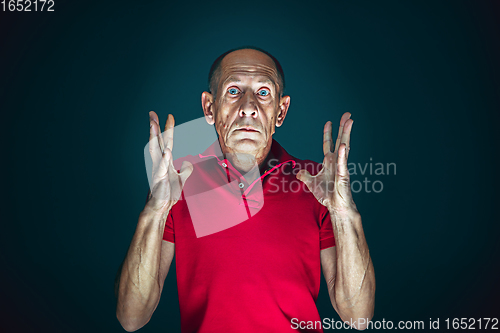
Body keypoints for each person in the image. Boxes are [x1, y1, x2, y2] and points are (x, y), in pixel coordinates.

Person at [115, 46, 375, 332]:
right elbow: (132, 317)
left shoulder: (317, 183)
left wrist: (343, 213)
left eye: (263, 93)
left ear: (281, 111)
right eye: (234, 91)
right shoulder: (178, 182)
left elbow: (357, 317)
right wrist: (155, 209)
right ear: (209, 108)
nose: (248, 107)